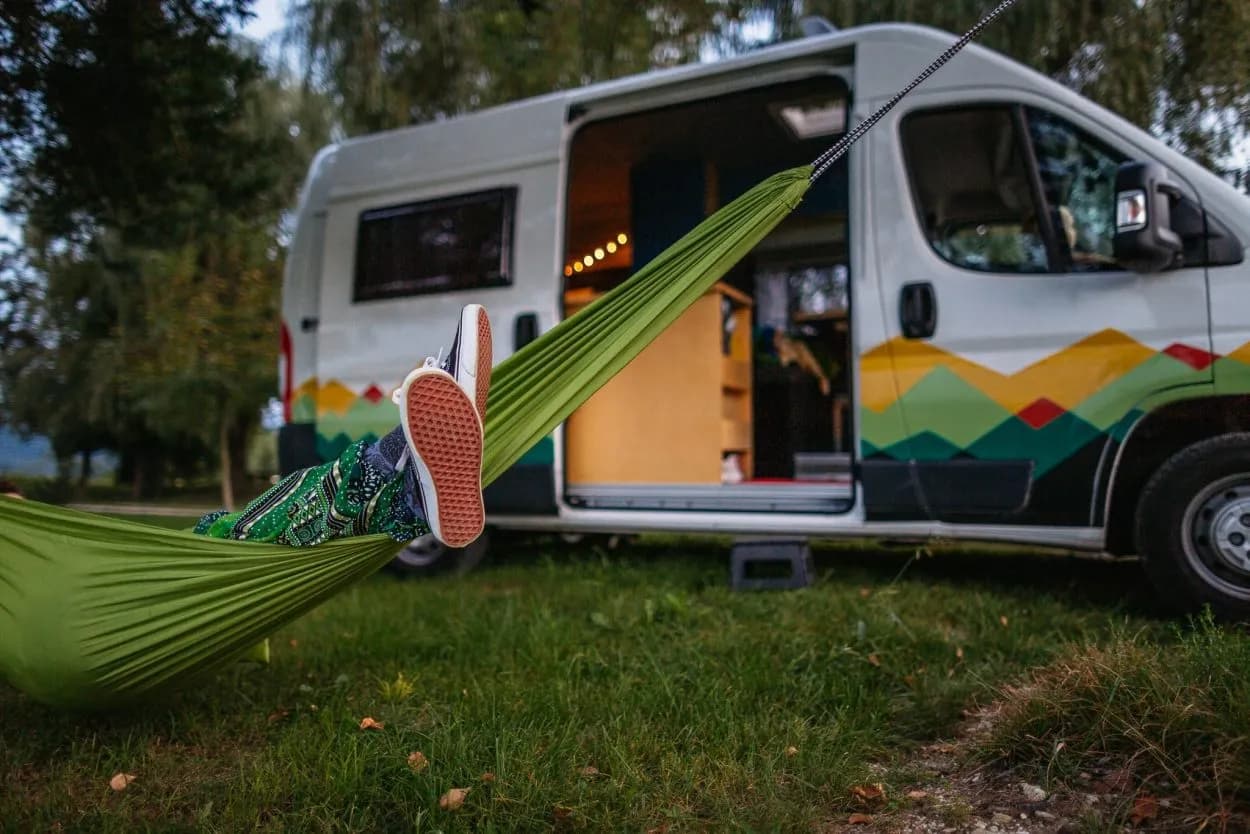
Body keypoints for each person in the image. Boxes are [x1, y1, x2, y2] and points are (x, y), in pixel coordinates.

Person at [194, 304, 492, 549]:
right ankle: (406, 476)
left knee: (277, 508)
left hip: (206, 549)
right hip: (216, 549)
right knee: (268, 520)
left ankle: (410, 487)